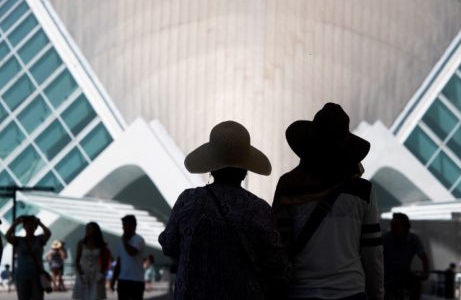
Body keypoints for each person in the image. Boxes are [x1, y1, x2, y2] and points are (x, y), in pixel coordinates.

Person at [159, 120, 292, 300]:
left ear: (211, 168)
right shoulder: (258, 210)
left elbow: (169, 245)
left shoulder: (188, 201)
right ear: (245, 170)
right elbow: (279, 267)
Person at [273, 102, 384, 300]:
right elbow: (372, 252)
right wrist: (377, 295)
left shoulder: (289, 185)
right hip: (350, 291)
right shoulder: (362, 190)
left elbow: (278, 245)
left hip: (301, 291)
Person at [383, 213, 429, 300]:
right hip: (387, 276)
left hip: (404, 274)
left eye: (395, 227)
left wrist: (425, 273)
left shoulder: (414, 239)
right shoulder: (385, 238)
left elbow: (424, 258)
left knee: (416, 284)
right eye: (391, 226)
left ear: (406, 227)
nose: (392, 229)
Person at [6, 215, 52, 300]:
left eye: (32, 225)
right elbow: (7, 236)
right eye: (27, 225)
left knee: (37, 297)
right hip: (22, 275)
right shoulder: (19, 240)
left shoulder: (40, 239)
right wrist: (15, 224)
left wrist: (40, 223)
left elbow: (48, 233)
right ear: (24, 227)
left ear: (35, 228)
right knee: (23, 297)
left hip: (37, 274)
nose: (29, 227)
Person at [110, 215, 145, 300]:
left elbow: (131, 252)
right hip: (123, 280)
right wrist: (113, 279)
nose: (123, 228)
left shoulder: (139, 239)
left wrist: (125, 241)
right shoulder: (121, 241)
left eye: (125, 225)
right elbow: (119, 262)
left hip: (137, 280)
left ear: (133, 226)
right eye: (123, 225)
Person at [73, 222, 111, 300]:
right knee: (83, 296)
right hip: (83, 272)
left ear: (95, 230)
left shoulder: (101, 244)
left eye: (89, 229)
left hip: (96, 273)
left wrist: (101, 273)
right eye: (86, 229)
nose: (87, 230)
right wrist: (81, 274)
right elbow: (76, 261)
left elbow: (105, 261)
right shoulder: (81, 243)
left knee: (95, 296)